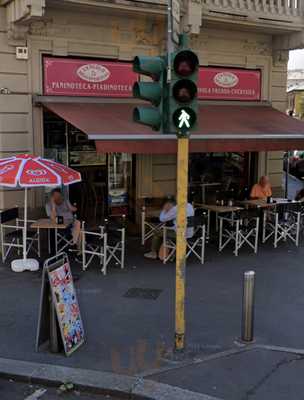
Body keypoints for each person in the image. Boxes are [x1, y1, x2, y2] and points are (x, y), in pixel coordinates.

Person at [45, 188, 81, 259]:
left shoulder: (65, 201)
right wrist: (53, 205)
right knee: (80, 232)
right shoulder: (49, 205)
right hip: (61, 226)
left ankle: (75, 243)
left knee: (79, 226)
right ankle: (75, 244)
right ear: (52, 197)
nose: (58, 198)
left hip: (72, 222)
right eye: (56, 197)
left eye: (59, 196)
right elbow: (53, 218)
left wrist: (69, 205)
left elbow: (74, 209)